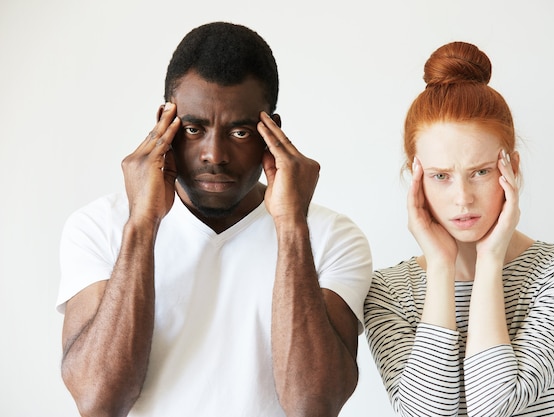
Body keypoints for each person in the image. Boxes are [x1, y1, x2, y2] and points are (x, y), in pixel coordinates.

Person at [57, 22, 372, 417]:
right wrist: (142, 224)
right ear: (164, 124)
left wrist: (291, 226)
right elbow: (98, 402)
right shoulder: (99, 226)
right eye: (193, 129)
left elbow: (314, 405)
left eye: (240, 132)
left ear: (271, 130)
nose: (214, 155)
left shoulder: (329, 236)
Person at [363, 41, 554, 417]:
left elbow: (495, 407)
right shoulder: (388, 292)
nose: (463, 198)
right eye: (441, 176)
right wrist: (441, 268)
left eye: (480, 172)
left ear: (512, 168)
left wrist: (490, 262)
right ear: (416, 178)